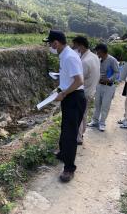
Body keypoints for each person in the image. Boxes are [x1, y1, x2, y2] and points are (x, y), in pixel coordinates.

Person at [43, 30, 86, 182]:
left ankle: (69, 168)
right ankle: (63, 154)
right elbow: (69, 78)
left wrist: (64, 93)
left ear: (56, 43)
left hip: (74, 98)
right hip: (70, 96)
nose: (49, 46)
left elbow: (79, 81)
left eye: (50, 43)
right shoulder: (65, 55)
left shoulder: (68, 57)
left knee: (70, 134)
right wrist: (60, 89)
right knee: (65, 129)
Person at [72, 36, 100, 145]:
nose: (73, 48)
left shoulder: (84, 61)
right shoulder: (94, 56)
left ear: (81, 46)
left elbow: (78, 80)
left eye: (75, 46)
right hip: (91, 90)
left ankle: (78, 138)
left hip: (84, 91)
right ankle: (81, 133)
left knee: (78, 115)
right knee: (83, 113)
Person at [88, 43, 119, 132]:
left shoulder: (112, 60)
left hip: (108, 86)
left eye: (98, 52)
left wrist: (109, 79)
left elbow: (117, 73)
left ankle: (102, 123)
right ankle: (94, 121)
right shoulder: (99, 59)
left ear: (102, 51)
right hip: (99, 85)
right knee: (97, 104)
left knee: (105, 106)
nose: (97, 53)